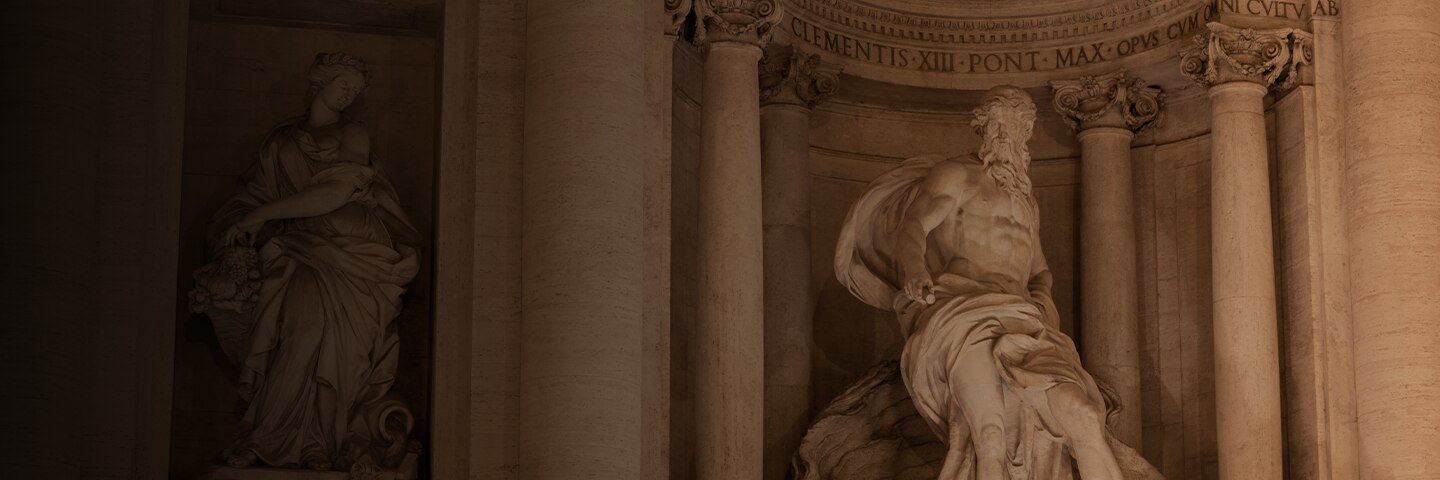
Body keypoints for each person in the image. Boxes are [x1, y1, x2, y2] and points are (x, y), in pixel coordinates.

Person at [835, 86, 1153, 479]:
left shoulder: (1025, 199)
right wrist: (915, 270)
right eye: (996, 125)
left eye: (1015, 125)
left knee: (1085, 415)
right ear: (981, 129)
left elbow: (1040, 270)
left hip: (1025, 322)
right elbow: (914, 225)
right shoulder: (956, 174)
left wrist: (1041, 306)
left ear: (1027, 134)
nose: (1005, 134)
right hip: (962, 315)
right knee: (989, 436)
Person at [195, 52, 419, 471]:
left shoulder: (354, 133)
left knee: (336, 342)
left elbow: (334, 194)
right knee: (302, 325)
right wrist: (240, 223)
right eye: (343, 84)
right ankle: (272, 438)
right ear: (319, 81)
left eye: (356, 90)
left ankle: (322, 441)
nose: (349, 94)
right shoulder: (279, 143)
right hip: (300, 248)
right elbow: (251, 198)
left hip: (353, 252)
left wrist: (261, 215)